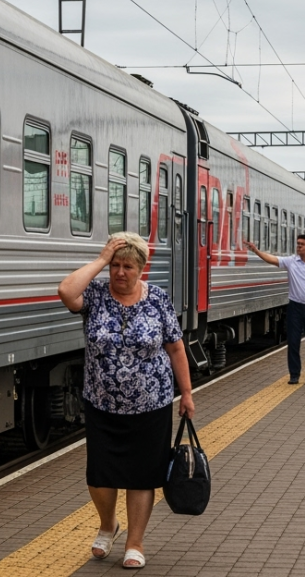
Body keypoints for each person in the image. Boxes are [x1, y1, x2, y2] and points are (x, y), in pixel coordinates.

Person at [58, 233, 194, 569]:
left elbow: (176, 347)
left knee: (143, 475)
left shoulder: (158, 299)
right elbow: (65, 291)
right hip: (102, 402)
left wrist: (187, 393)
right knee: (99, 474)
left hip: (152, 404)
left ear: (140, 270)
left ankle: (135, 542)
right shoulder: (95, 296)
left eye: (127, 266)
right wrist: (101, 259)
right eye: (116, 266)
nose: (120, 272)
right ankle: (108, 525)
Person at [246, 234, 305, 384]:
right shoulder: (291, 262)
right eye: (298, 243)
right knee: (293, 342)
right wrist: (256, 251)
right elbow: (272, 259)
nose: (298, 246)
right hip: (295, 308)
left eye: (302, 244)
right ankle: (294, 375)